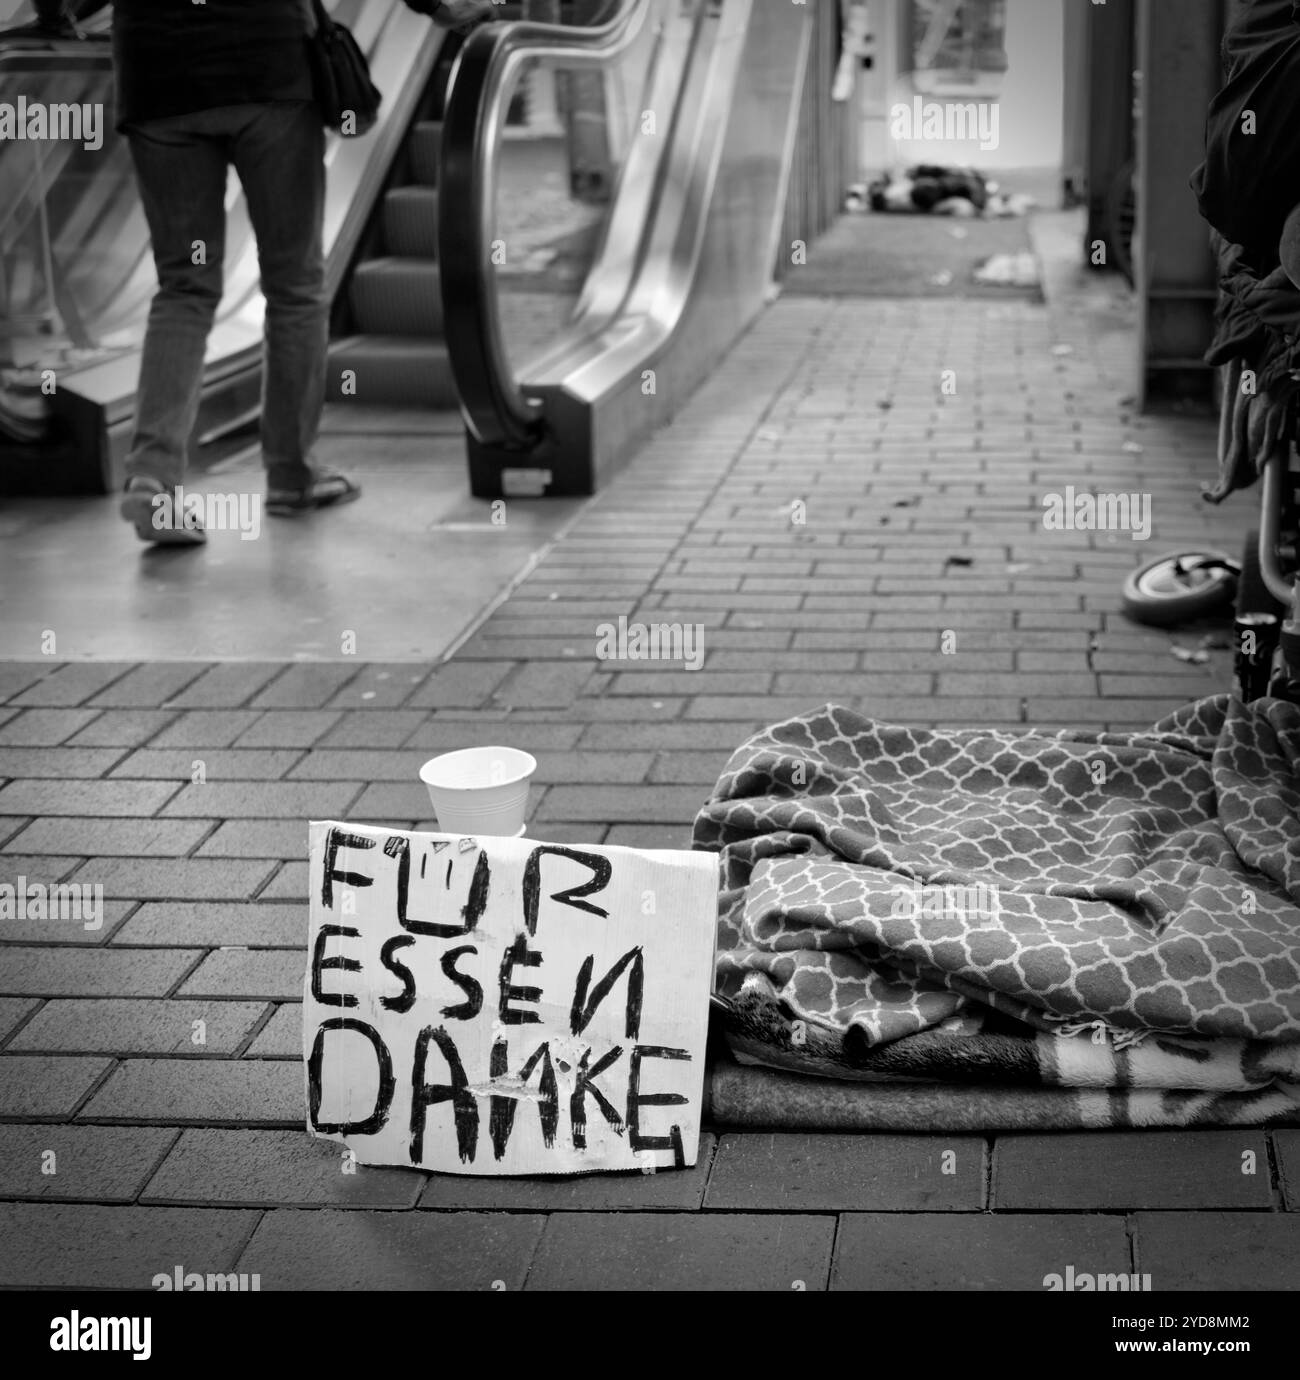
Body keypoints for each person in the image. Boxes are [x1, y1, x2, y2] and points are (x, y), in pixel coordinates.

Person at [33, 0, 497, 545]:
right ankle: (291, 473)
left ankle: (153, 476)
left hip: (158, 78)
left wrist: (53, 15)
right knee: (293, 285)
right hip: (266, 71)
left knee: (185, 286)